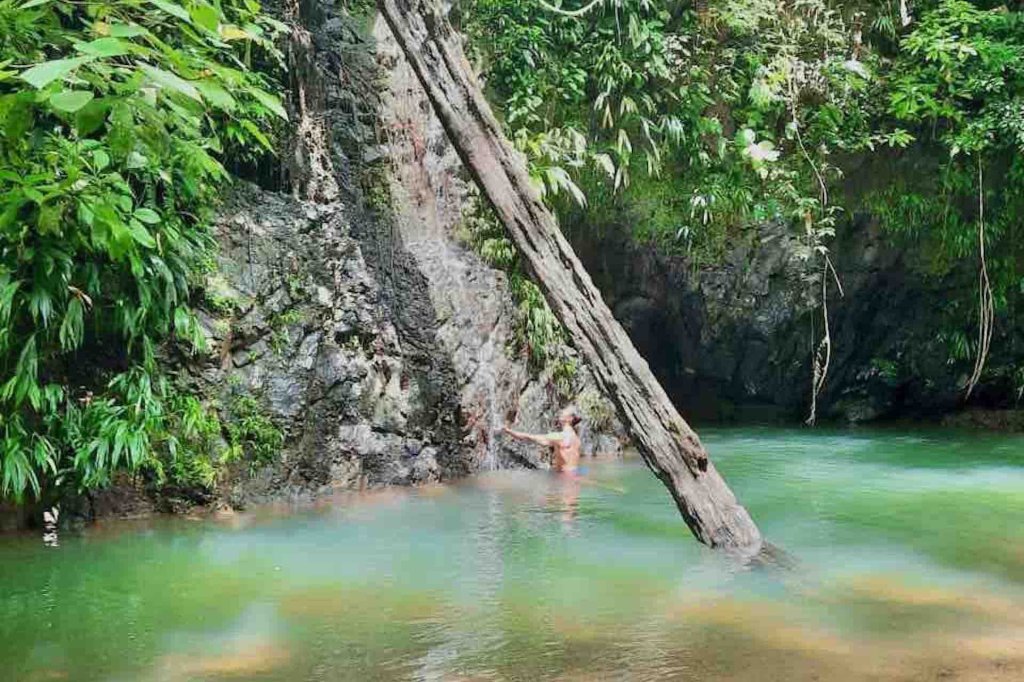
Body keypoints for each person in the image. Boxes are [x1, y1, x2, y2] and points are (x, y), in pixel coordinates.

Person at [502, 406, 582, 473]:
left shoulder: (559, 437)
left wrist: (508, 431)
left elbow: (530, 437)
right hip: (574, 475)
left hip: (564, 478)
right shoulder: (576, 438)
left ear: (570, 418)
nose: (561, 412)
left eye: (564, 412)